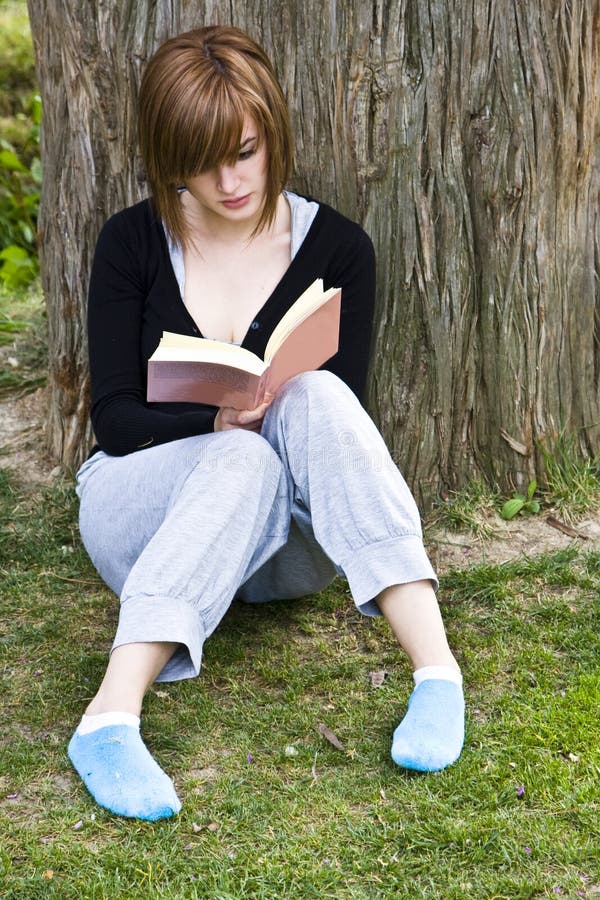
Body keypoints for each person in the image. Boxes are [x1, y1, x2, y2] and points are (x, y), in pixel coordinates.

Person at [68, 25, 465, 822]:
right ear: (167, 156)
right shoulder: (131, 243)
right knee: (240, 457)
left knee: (315, 398)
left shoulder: (340, 247)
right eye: (203, 159)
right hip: (146, 521)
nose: (229, 179)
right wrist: (214, 417)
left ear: (272, 131)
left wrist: (272, 405)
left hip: (285, 544)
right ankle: (108, 719)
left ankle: (437, 672)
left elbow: (337, 423)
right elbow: (112, 420)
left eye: (244, 151)